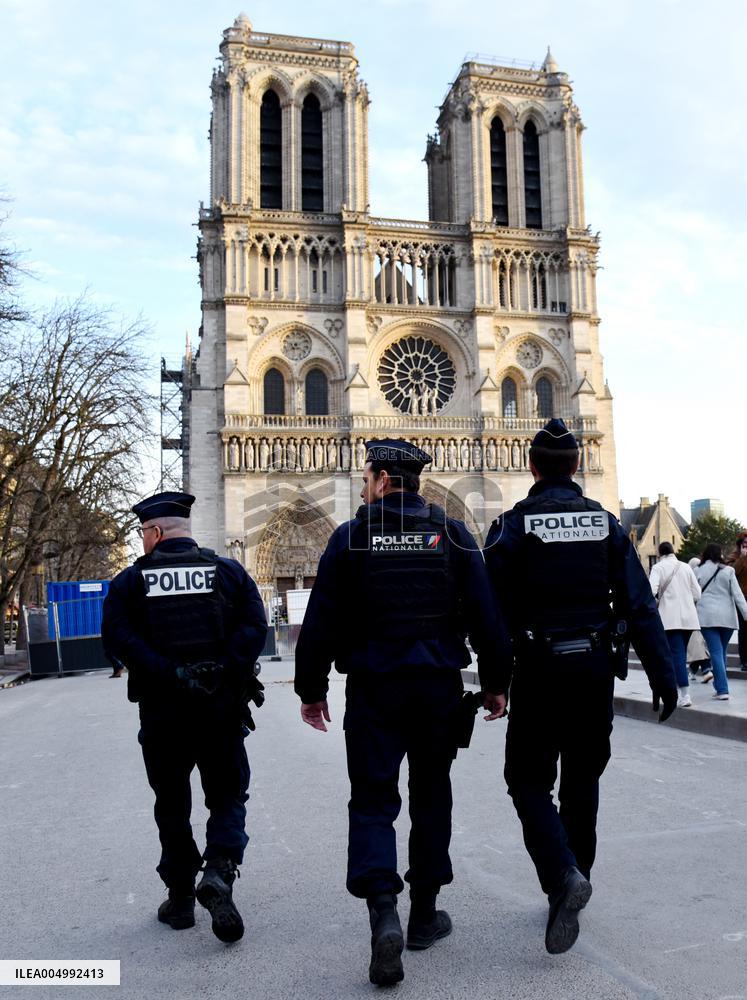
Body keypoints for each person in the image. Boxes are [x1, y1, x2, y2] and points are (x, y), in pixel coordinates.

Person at [294, 439, 511, 987]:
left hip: (373, 689)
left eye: (367, 477)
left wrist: (311, 689)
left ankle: (383, 909)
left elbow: (320, 621)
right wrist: (495, 684)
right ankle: (423, 916)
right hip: (436, 687)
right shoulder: (455, 535)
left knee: (371, 800)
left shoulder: (350, 539)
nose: (363, 485)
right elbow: (488, 616)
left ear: (385, 479)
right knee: (432, 793)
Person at [483, 419, 677, 956]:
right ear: (576, 467)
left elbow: (490, 614)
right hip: (594, 670)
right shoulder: (607, 525)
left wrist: (494, 682)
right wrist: (664, 676)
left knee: (526, 781)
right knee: (583, 779)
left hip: (540, 671)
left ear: (532, 468)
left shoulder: (512, 525)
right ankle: (574, 879)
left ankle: (562, 875)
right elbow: (640, 605)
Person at [101, 492, 268, 943]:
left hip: (163, 713)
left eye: (142, 534)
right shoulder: (229, 572)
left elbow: (118, 640)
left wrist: (170, 672)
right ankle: (219, 870)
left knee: (172, 804)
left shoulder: (130, 583)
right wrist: (223, 669)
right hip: (220, 708)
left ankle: (179, 901)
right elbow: (255, 627)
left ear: (154, 533)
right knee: (228, 796)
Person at [648, 542, 701, 707]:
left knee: (676, 655)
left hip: (669, 619)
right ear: (673, 551)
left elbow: (651, 591)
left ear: (659, 553)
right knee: (680, 654)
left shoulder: (658, 568)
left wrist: (659, 602)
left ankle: (685, 694)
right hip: (689, 618)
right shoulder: (686, 567)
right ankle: (678, 689)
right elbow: (697, 593)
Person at [694, 543, 747, 700]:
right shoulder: (729, 571)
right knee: (720, 652)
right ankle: (719, 686)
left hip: (707, 618)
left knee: (716, 653)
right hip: (727, 618)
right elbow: (738, 596)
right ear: (719, 554)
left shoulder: (697, 571)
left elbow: (694, 595)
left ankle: (722, 689)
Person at [726, 531, 747, 670]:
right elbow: (731, 573)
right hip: (742, 599)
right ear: (740, 545)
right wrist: (742, 558)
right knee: (744, 630)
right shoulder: (733, 558)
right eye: (745, 544)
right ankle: (744, 661)